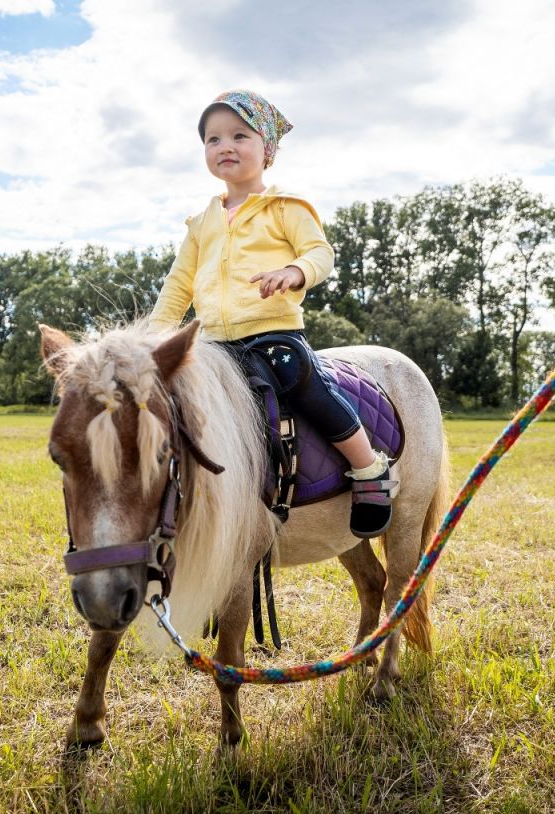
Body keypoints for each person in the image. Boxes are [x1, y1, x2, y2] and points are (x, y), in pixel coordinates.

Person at [148, 89, 397, 538]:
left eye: (239, 135)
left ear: (268, 151)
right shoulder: (201, 223)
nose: (225, 146)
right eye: (213, 139)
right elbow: (178, 286)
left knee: (302, 381)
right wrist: (153, 336)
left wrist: (295, 272)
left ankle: (368, 469)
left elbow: (321, 253)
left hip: (273, 334)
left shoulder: (286, 207)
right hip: (213, 342)